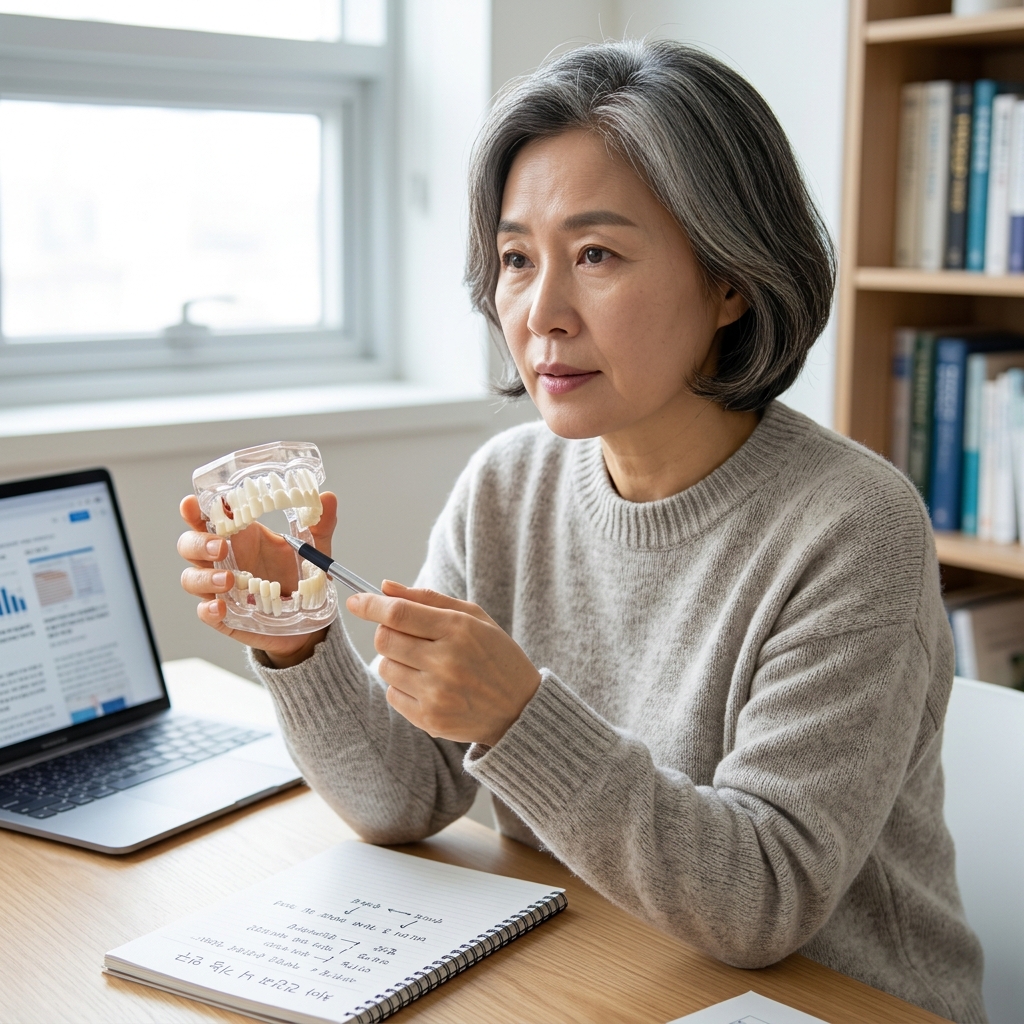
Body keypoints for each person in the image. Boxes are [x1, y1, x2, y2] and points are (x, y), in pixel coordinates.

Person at [178, 40, 985, 1022]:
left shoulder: (852, 527)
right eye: (517, 259)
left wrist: (519, 717)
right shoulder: (507, 483)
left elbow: (764, 902)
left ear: (730, 279)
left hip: (832, 999)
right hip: (600, 964)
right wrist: (299, 643)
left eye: (596, 254)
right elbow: (407, 798)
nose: (540, 312)